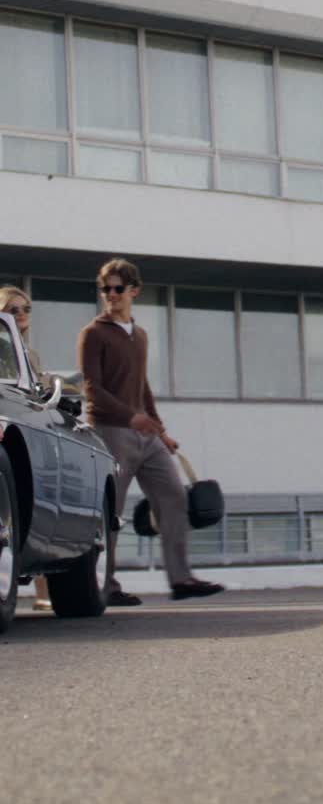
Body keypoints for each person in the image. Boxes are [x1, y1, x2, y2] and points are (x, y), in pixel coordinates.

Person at [77, 258, 224, 605]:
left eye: (117, 289)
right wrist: (131, 418)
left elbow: (142, 387)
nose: (110, 295)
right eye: (105, 289)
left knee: (173, 497)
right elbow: (92, 389)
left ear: (134, 291)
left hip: (145, 433)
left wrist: (160, 431)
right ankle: (106, 585)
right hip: (111, 431)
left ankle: (181, 579)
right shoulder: (93, 333)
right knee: (110, 513)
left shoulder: (140, 335)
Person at [0, 285, 52, 612]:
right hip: (12, 430)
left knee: (39, 500)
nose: (21, 315)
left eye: (25, 309)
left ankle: (43, 591)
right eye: (12, 309)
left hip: (34, 433)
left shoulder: (29, 355)